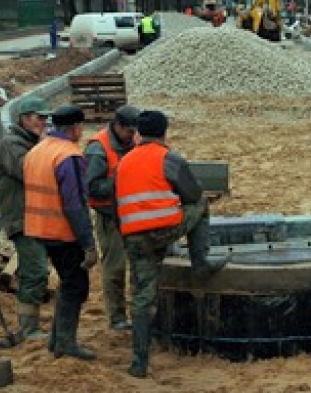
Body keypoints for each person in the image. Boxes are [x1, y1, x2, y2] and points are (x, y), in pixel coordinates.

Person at [114, 109, 229, 378]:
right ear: (164, 132)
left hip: (133, 235)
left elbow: (114, 203)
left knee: (142, 294)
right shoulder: (168, 158)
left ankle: (139, 361)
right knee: (201, 204)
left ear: (139, 133)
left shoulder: (124, 162)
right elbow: (192, 193)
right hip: (162, 230)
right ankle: (200, 261)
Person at [23, 104, 99, 361]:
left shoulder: (37, 151)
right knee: (75, 285)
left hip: (38, 229)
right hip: (62, 232)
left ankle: (57, 340)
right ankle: (65, 343)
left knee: (68, 283)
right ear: (76, 128)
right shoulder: (69, 156)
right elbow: (75, 204)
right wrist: (88, 243)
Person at [0, 96, 52, 343]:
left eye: (45, 118)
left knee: (35, 271)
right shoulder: (11, 144)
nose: (43, 122)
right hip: (22, 219)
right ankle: (29, 330)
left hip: (37, 217)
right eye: (39, 117)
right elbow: (28, 170)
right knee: (35, 270)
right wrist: (44, 146)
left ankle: (30, 327)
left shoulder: (30, 142)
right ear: (25, 119)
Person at [83, 104, 140, 331]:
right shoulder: (98, 149)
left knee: (138, 266)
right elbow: (91, 186)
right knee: (115, 268)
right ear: (117, 126)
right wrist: (121, 181)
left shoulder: (133, 143)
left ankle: (137, 313)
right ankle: (116, 316)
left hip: (133, 214)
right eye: (128, 131)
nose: (132, 136)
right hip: (109, 216)